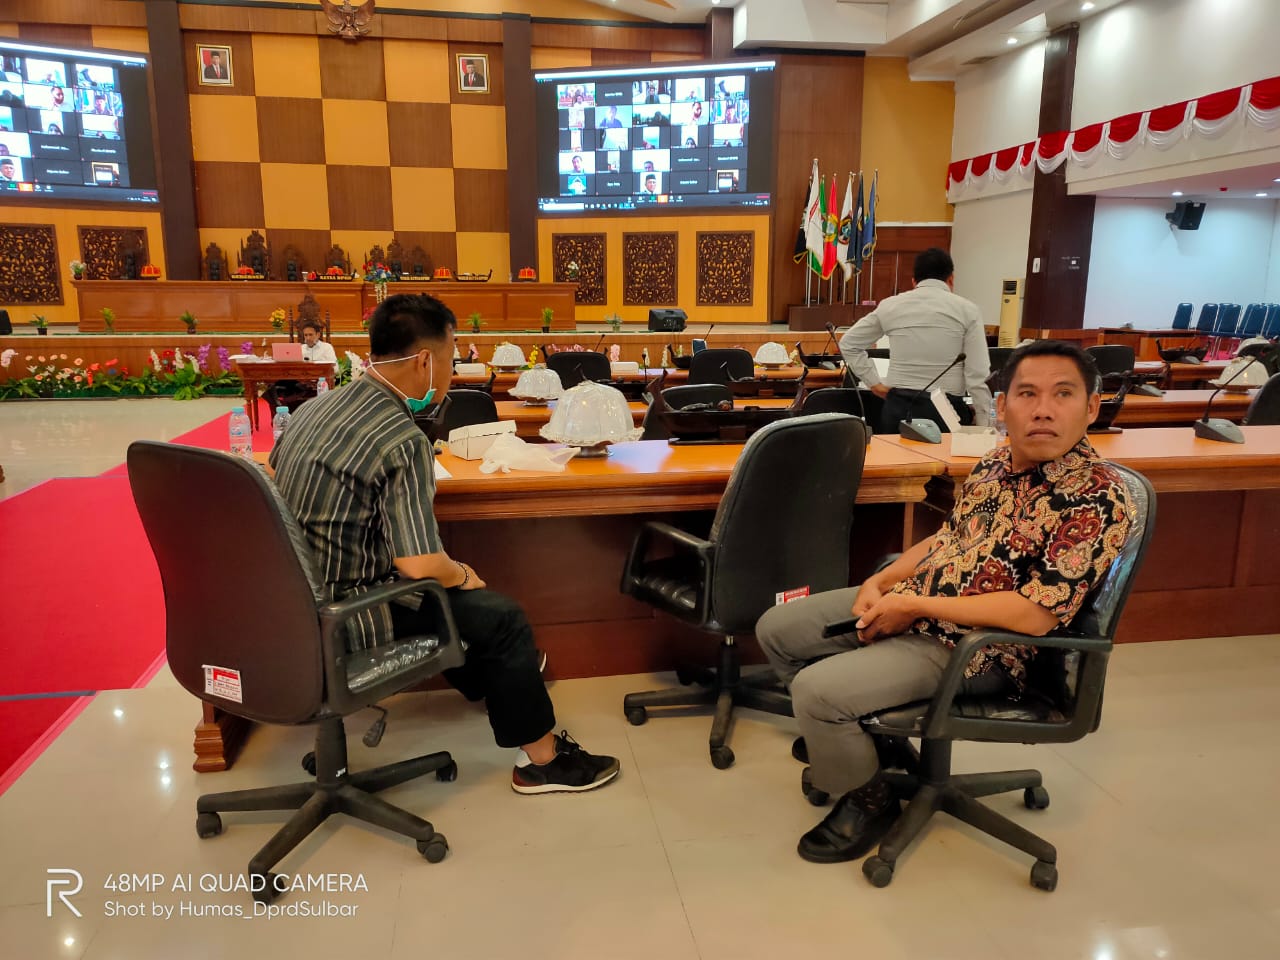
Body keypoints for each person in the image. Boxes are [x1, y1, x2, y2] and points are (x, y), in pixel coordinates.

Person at [755, 340, 1132, 864]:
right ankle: (871, 745)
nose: (1043, 409)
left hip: (983, 649)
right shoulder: (994, 463)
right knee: (777, 629)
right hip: (922, 603)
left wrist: (915, 607)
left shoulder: (1096, 496)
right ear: (1002, 405)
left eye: (1063, 394)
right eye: (1027, 393)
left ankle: (869, 797)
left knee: (818, 694)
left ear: (1091, 407)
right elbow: (947, 539)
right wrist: (885, 582)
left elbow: (1035, 614)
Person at [270, 293, 621, 796]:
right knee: (499, 616)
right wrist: (461, 573)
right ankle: (542, 762)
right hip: (347, 615)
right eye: (450, 359)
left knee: (462, 607)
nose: (451, 373)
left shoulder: (314, 408)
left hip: (287, 605)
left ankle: (494, 681)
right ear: (424, 361)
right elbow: (419, 564)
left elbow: (274, 472)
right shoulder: (399, 437)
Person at [839, 247, 992, 434]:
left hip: (897, 409)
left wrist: (874, 383)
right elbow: (977, 375)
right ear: (951, 279)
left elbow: (848, 343)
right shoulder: (968, 310)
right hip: (947, 413)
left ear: (914, 281)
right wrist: (985, 427)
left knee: (893, 454)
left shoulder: (890, 306)